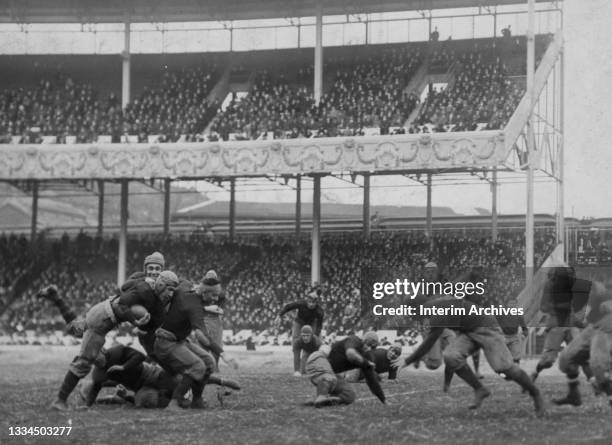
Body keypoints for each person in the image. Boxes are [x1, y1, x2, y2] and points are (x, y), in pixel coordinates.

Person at [401, 273, 545, 416]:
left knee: (504, 369)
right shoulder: (433, 309)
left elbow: (429, 343)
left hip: (486, 327)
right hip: (469, 331)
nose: (410, 316)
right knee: (451, 356)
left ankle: (535, 393)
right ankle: (480, 389)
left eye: (410, 311)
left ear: (417, 307)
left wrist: (407, 361)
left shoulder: (436, 313)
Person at [51, 271, 179, 411]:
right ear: (160, 284)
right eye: (170, 289)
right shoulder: (145, 289)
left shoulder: (155, 300)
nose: (171, 294)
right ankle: (59, 400)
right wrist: (135, 321)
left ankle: (56, 298)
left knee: (76, 330)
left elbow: (156, 326)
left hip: (104, 315)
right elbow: (122, 304)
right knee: (84, 361)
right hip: (103, 317)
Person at [153, 277, 217, 410]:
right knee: (198, 365)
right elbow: (201, 335)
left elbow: (180, 284)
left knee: (209, 363)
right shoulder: (194, 305)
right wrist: (222, 352)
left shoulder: (186, 287)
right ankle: (174, 402)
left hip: (179, 341)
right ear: (204, 291)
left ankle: (197, 400)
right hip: (166, 343)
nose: (216, 299)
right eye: (214, 295)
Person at [531, 267, 592, 383]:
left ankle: (593, 381)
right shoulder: (550, 285)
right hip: (556, 324)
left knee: (582, 355)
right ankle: (535, 373)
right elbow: (543, 306)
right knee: (547, 360)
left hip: (571, 324)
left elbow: (579, 310)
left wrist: (583, 322)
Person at [305, 332, 386, 407]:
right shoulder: (354, 340)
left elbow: (372, 381)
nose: (368, 347)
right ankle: (321, 396)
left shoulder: (366, 357)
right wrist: (366, 363)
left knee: (349, 395)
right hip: (319, 360)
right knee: (329, 378)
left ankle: (325, 400)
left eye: (372, 346)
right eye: (368, 343)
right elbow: (350, 354)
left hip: (328, 371)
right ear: (364, 340)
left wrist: (383, 400)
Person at [277, 287, 325, 376]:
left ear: (316, 303)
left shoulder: (319, 311)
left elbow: (319, 326)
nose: (311, 305)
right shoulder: (301, 303)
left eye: (313, 303)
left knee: (314, 342)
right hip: (299, 321)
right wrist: (279, 315)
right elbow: (288, 307)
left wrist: (315, 337)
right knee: (296, 342)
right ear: (307, 301)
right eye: (309, 302)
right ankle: (296, 368)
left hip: (311, 323)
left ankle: (308, 360)